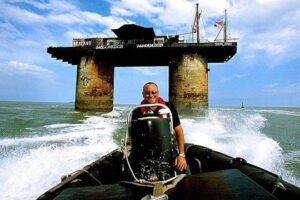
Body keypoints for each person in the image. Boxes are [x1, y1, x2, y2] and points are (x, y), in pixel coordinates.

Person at [132, 82, 187, 172]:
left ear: (158, 93)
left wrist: (181, 155)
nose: (151, 95)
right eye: (147, 93)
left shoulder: (168, 107)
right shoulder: (137, 111)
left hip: (167, 147)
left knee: (181, 169)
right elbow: (134, 137)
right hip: (146, 149)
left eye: (154, 92)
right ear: (143, 95)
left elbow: (178, 130)